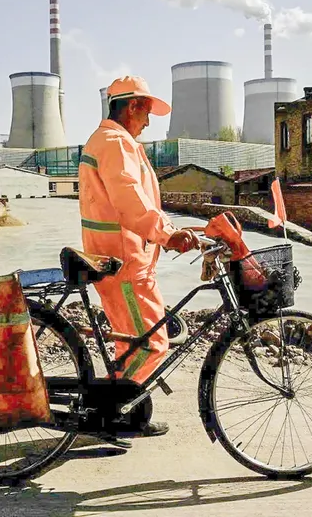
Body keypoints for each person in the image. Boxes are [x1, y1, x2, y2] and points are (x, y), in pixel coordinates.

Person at [78, 75, 199, 445]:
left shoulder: (110, 140)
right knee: (151, 345)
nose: (148, 122)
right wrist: (166, 234)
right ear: (132, 106)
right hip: (125, 263)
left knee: (130, 343)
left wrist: (167, 229)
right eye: (146, 113)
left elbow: (137, 200)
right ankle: (106, 414)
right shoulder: (115, 144)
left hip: (122, 259)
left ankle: (127, 415)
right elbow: (129, 199)